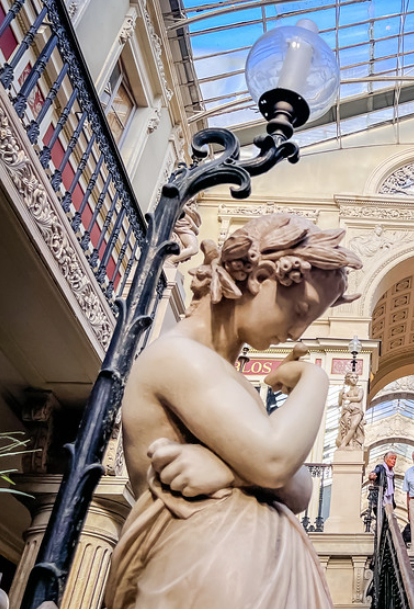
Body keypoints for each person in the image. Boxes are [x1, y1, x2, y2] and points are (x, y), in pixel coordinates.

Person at [104, 213, 362, 609]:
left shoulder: (223, 373)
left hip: (238, 566)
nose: (297, 334)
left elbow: (299, 487)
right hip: (201, 567)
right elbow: (275, 461)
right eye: (300, 311)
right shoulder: (179, 357)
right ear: (259, 277)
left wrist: (228, 470)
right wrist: (314, 381)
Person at [335, 371, 364, 450]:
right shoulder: (346, 390)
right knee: (347, 427)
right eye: (352, 377)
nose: (354, 379)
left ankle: (343, 444)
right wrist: (341, 396)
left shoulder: (360, 389)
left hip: (357, 410)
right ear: (348, 379)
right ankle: (349, 444)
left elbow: (358, 398)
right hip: (348, 410)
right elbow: (340, 403)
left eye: (356, 377)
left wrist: (347, 398)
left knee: (353, 426)